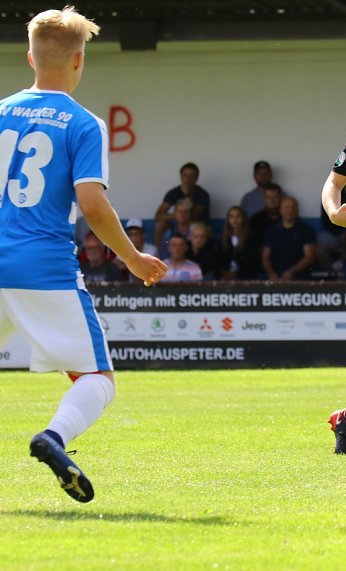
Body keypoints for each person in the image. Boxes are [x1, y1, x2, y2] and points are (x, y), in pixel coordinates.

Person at [0, 7, 166, 502]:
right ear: (79, 61)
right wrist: (133, 258)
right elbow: (92, 205)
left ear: (30, 57)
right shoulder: (83, 123)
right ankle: (53, 437)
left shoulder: (1, 110)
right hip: (42, 268)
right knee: (96, 377)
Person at [153, 162, 210, 248]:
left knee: (197, 229)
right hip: (176, 226)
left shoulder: (203, 194)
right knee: (159, 226)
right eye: (185, 176)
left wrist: (188, 195)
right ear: (181, 177)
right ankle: (159, 256)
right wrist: (176, 215)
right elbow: (158, 215)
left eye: (191, 176)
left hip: (195, 226)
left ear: (196, 178)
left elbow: (195, 215)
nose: (188, 179)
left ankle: (193, 257)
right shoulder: (173, 193)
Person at [261, 196, 316, 282]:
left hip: (299, 278)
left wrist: (290, 272)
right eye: (287, 207)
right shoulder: (272, 230)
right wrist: (271, 274)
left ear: (297, 210)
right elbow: (265, 257)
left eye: (293, 207)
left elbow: (309, 257)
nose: (290, 210)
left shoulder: (306, 230)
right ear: (280, 210)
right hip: (275, 278)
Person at [316, 178, 346, 276]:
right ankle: (333, 273)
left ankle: (340, 262)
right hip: (335, 233)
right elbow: (326, 217)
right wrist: (340, 232)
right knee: (317, 245)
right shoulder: (331, 187)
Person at [219, 206, 260, 280]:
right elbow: (219, 259)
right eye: (231, 216)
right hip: (226, 276)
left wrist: (236, 273)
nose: (235, 220)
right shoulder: (223, 238)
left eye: (238, 216)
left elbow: (251, 261)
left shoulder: (250, 238)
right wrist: (224, 273)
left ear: (243, 219)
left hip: (245, 276)